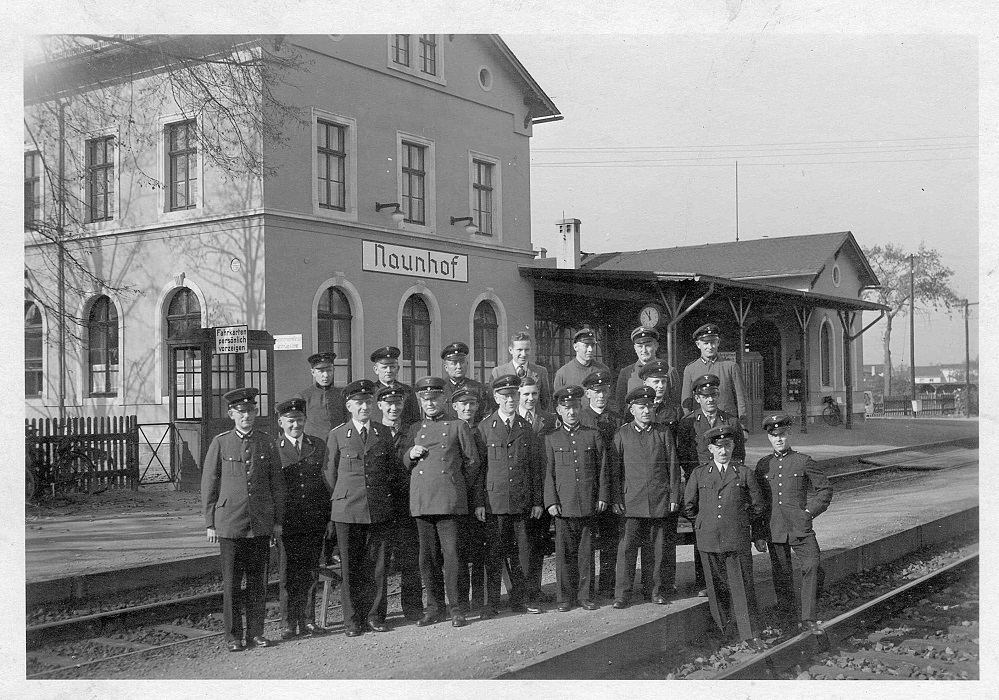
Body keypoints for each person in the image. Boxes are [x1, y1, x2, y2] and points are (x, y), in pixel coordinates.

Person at [201, 387, 285, 652]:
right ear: (231, 414)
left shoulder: (266, 441)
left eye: (250, 411)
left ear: (256, 413)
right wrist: (210, 522)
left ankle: (257, 633)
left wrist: (276, 521)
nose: (246, 415)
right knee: (232, 583)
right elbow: (210, 483)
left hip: (260, 523)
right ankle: (233, 636)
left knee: (258, 582)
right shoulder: (221, 442)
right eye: (241, 411)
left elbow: (276, 484)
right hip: (230, 523)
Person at [403, 376, 482, 628]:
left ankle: (456, 608)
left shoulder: (458, 426)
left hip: (449, 502)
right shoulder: (414, 429)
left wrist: (456, 487)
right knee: (428, 559)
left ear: (444, 400)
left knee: (452, 557)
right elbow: (403, 462)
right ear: (420, 401)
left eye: (435, 399)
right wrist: (410, 454)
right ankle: (434, 608)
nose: (430, 403)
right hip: (422, 502)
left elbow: (472, 462)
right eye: (425, 399)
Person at [683, 424, 766, 650]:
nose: (723, 451)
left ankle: (749, 634)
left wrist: (739, 520)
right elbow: (689, 506)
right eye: (718, 447)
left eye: (727, 446)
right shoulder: (700, 473)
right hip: (708, 540)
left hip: (735, 539)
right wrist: (703, 524)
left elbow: (758, 505)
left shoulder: (744, 473)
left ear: (733, 447)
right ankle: (724, 633)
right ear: (710, 449)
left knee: (742, 587)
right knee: (716, 587)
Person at [325, 379, 395, 637]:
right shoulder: (337, 434)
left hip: (378, 508)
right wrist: (343, 496)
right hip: (347, 510)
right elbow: (329, 473)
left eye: (368, 402)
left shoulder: (382, 433)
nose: (365, 407)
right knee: (350, 567)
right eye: (359, 403)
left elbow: (390, 470)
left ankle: (375, 616)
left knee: (377, 567)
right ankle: (352, 620)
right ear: (349, 406)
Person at [755, 413, 833, 634]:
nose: (778, 439)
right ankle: (788, 619)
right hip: (775, 528)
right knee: (782, 575)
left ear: (789, 434)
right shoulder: (763, 466)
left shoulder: (803, 461)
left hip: (800, 527)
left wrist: (808, 512)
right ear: (769, 438)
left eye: (782, 434)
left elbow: (824, 490)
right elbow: (758, 503)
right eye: (774, 435)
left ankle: (808, 617)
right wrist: (758, 533)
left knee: (813, 565)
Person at [478, 374, 545, 615]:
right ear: (496, 398)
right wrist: (479, 503)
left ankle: (522, 599)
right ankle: (492, 603)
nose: (510, 400)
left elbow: (535, 467)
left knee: (522, 553)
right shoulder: (485, 427)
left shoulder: (526, 428)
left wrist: (537, 500)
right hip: (494, 502)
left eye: (513, 395)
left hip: (521, 500)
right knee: (493, 553)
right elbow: (480, 469)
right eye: (505, 396)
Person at [608, 386, 681, 609]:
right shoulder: (622, 434)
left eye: (649, 406)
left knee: (656, 549)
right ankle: (623, 594)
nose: (647, 411)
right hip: (631, 502)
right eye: (641, 407)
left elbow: (673, 467)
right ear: (632, 410)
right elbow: (615, 471)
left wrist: (674, 496)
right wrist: (616, 498)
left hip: (658, 500)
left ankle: (655, 591)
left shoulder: (662, 433)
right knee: (627, 549)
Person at [675, 373, 746, 596]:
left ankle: (730, 580)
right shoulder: (688, 423)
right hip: (702, 481)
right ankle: (704, 582)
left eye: (714, 395)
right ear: (697, 398)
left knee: (727, 526)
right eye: (705, 396)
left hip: (727, 480)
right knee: (703, 530)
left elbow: (739, 455)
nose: (710, 400)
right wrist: (696, 478)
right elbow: (684, 454)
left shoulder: (731, 421)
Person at [544, 385, 608, 611]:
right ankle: (564, 598)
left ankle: (585, 596)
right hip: (563, 504)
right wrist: (551, 501)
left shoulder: (592, 435)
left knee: (586, 553)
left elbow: (602, 469)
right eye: (566, 408)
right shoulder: (552, 439)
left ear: (580, 408)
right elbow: (548, 473)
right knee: (563, 555)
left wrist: (602, 496)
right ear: (559, 410)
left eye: (574, 407)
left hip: (588, 502)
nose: (571, 412)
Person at [274, 398, 331, 640]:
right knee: (287, 573)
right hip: (287, 521)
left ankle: (308, 620)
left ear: (305, 420)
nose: (295, 424)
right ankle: (289, 623)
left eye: (299, 420)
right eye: (290, 420)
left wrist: (328, 518)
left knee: (310, 571)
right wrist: (274, 522)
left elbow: (325, 482)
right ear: (281, 422)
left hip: (314, 519)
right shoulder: (273, 448)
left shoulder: (317, 445)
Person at [374, 384, 424, 623]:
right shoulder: (373, 432)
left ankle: (413, 609)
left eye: (398, 403)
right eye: (389, 404)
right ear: (380, 406)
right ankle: (379, 613)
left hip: (406, 504)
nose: (394, 408)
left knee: (410, 560)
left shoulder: (414, 430)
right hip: (381, 505)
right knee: (380, 563)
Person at [578, 369, 624, 598]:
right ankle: (585, 589)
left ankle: (607, 585)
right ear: (587, 393)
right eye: (596, 392)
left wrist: (614, 495)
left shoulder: (617, 420)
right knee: (585, 541)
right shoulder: (581, 417)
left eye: (604, 391)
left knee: (609, 538)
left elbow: (618, 461)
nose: (601, 396)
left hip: (610, 485)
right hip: (585, 486)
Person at [519, 375, 558, 601]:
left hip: (543, 485)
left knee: (537, 542)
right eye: (526, 394)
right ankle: (521, 590)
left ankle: (535, 588)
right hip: (521, 488)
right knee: (521, 543)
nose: (531, 398)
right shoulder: (513, 419)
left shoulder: (549, 419)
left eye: (534, 393)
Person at [451, 386, 489, 617]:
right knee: (458, 554)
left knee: (480, 553)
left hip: (479, 501)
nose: (468, 408)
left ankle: (481, 602)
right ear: (454, 406)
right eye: (463, 404)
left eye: (472, 404)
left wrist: (479, 501)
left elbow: (483, 469)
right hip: (456, 501)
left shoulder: (482, 431)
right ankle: (461, 604)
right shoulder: (450, 429)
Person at [680, 324, 748, 434]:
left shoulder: (730, 367)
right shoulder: (690, 369)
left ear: (718, 343)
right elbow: (686, 402)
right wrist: (690, 424)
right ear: (698, 344)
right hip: (700, 426)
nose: (710, 347)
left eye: (713, 342)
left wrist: (744, 427)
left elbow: (741, 399)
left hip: (726, 423)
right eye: (706, 343)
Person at [615, 326, 679, 416]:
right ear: (635, 348)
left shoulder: (669, 371)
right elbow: (621, 406)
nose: (644, 350)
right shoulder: (626, 373)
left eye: (648, 345)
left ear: (656, 346)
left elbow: (676, 403)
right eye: (640, 346)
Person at [492, 331, 552, 413]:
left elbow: (545, 401)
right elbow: (492, 403)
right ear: (510, 350)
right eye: (519, 350)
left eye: (527, 350)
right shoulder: (498, 372)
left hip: (533, 421)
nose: (523, 354)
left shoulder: (540, 372)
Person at [552, 328, 610, 411]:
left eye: (592, 345)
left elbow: (608, 397)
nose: (590, 349)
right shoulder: (563, 373)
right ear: (575, 347)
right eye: (586, 345)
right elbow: (558, 404)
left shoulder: (602, 370)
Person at [294, 352, 346, 439]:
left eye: (329, 370)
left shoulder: (342, 394)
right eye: (321, 371)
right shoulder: (304, 397)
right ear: (313, 372)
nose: (325, 375)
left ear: (334, 370)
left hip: (339, 442)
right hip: (315, 444)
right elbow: (297, 425)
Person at [369, 346, 420, 425]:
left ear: (398, 369)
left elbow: (415, 420)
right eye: (384, 367)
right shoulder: (370, 392)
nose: (388, 371)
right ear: (376, 370)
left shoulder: (407, 391)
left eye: (392, 367)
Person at [441, 341, 490, 422]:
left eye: (462, 362)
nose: (459, 367)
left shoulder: (478, 388)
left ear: (467, 364)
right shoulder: (441, 388)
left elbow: (486, 416)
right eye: (454, 363)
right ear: (446, 367)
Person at [642, 359, 682, 433]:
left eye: (663, 381)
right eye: (656, 382)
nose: (661, 386)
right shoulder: (638, 409)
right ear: (645, 383)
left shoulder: (675, 410)